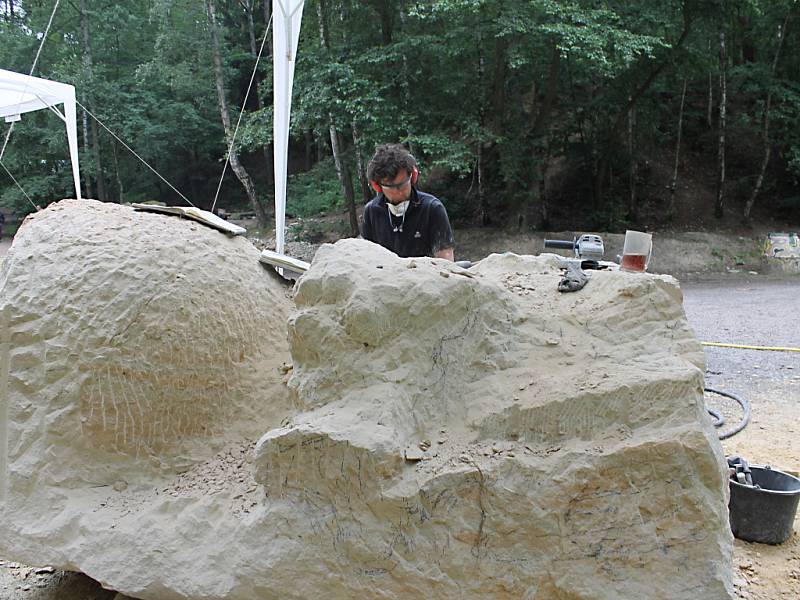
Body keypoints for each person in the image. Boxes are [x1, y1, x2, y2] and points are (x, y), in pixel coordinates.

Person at [362, 144, 454, 260]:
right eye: (392, 187)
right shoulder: (371, 212)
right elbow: (367, 258)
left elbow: (445, 259)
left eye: (403, 184)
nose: (399, 191)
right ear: (378, 186)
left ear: (413, 176)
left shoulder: (432, 208)